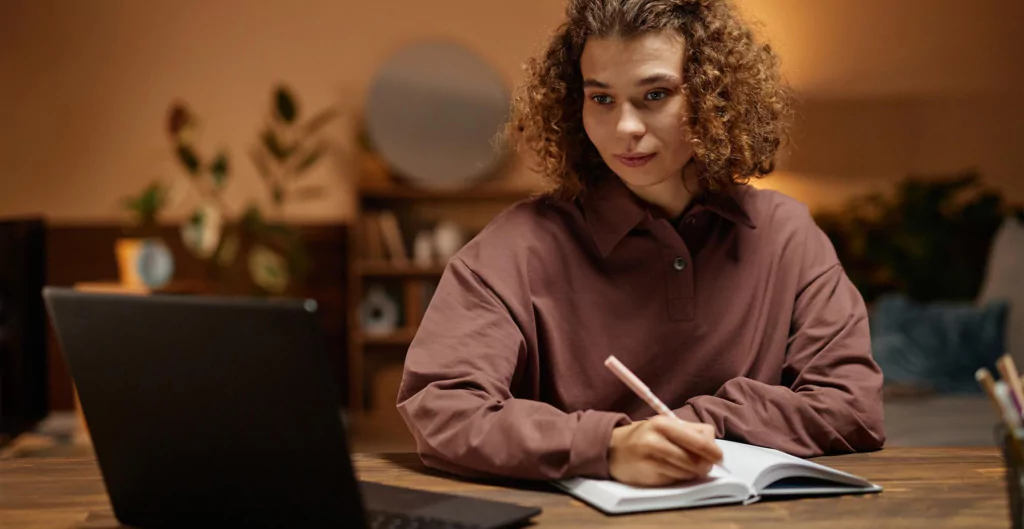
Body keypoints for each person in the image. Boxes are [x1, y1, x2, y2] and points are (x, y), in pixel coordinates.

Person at [396, 0, 885, 487]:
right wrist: (605, 446)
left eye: (655, 94)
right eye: (602, 99)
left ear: (715, 95)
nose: (626, 128)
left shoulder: (786, 233)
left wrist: (695, 426)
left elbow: (852, 408)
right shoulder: (515, 247)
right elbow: (441, 409)